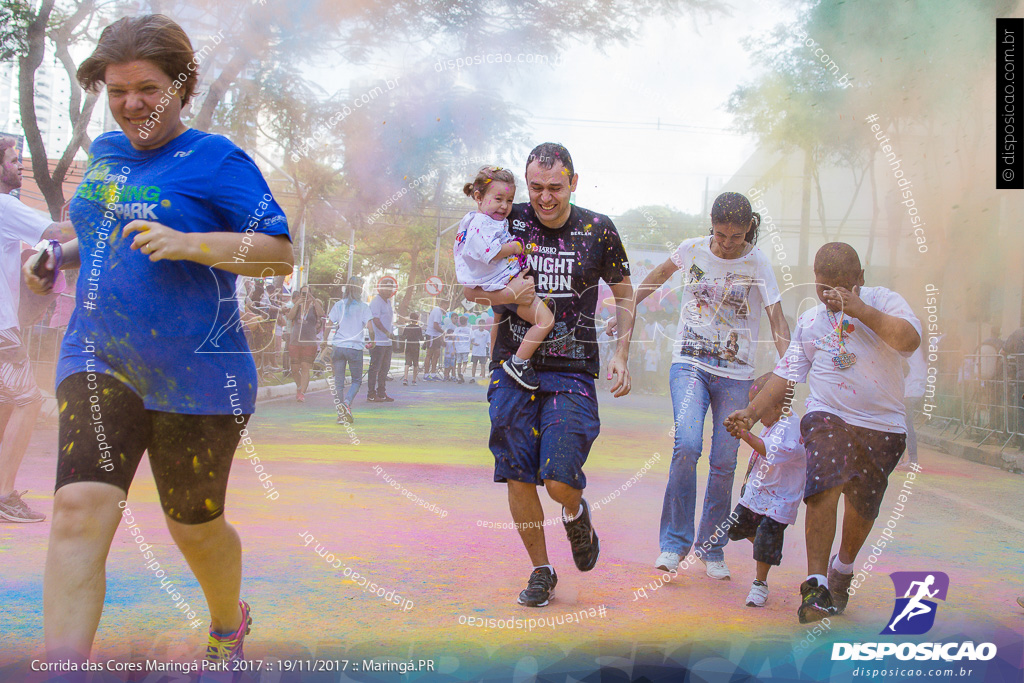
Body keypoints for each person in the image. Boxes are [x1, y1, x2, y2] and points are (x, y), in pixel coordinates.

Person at [28, 13, 293, 663]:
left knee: (193, 526)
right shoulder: (108, 154)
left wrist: (190, 243)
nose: (131, 104)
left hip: (198, 373)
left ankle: (227, 621)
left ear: (181, 85)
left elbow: (278, 252)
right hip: (99, 355)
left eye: (147, 88)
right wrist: (54, 256)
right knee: (77, 510)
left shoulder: (216, 161)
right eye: (117, 91)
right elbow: (98, 234)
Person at [464, 143, 633, 608]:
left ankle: (575, 512)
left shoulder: (599, 230)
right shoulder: (506, 217)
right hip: (513, 367)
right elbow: (471, 284)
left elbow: (625, 293)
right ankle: (541, 570)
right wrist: (501, 298)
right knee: (516, 473)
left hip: (573, 370)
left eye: (555, 187)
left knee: (559, 479)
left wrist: (621, 352)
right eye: (535, 187)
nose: (544, 198)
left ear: (573, 182)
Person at [726, 242, 921, 624]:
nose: (830, 296)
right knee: (823, 488)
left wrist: (858, 308)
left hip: (884, 426)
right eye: (823, 288)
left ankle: (842, 568)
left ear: (859, 280)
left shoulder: (886, 301)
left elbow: (909, 341)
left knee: (863, 507)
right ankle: (815, 586)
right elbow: (786, 374)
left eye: (840, 287)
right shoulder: (811, 321)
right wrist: (750, 413)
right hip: (828, 416)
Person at [631, 191, 791, 581]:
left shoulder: (759, 263)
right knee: (686, 445)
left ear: (749, 228)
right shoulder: (691, 250)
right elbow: (650, 282)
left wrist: (790, 374)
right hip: (690, 366)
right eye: (720, 235)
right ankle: (673, 543)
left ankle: (711, 545)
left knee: (724, 462)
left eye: (736, 236)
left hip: (736, 376)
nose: (727, 243)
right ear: (712, 225)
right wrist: (624, 308)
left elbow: (779, 323)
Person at [0, 135, 74, 522]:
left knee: (7, 401)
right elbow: (56, 233)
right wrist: (99, 212)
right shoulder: (4, 205)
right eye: (13, 160)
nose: (20, 166)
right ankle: (4, 494)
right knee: (28, 400)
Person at [455, 166, 554, 390]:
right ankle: (518, 362)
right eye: (498, 199)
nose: (504, 206)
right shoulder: (480, 223)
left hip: (505, 282)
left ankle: (500, 362)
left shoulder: (483, 220)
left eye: (509, 200)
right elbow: (488, 252)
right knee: (545, 321)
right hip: (505, 284)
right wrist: (513, 247)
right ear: (478, 198)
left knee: (500, 319)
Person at [727, 373, 805, 608]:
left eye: (761, 412)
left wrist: (744, 434)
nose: (758, 418)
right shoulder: (775, 421)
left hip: (779, 499)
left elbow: (771, 452)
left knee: (765, 540)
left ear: (781, 404)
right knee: (736, 528)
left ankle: (760, 583)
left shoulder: (791, 425)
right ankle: (769, 549)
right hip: (758, 493)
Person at [325, 277, 371, 424]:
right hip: (355, 347)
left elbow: (329, 324)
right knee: (357, 380)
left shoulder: (339, 305)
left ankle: (341, 414)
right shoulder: (363, 307)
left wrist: (323, 341)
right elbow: (370, 327)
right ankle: (347, 403)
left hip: (338, 346)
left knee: (338, 383)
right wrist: (373, 341)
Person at [287, 284, 324, 402]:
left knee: (305, 367)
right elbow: (290, 316)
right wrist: (298, 303)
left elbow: (321, 313)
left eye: (307, 293)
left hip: (309, 341)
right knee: (294, 368)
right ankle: (299, 386)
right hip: (295, 341)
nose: (305, 295)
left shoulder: (314, 306)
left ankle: (302, 392)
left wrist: (313, 299)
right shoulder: (297, 306)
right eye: (303, 293)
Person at [898, 342, 928, 468]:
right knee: (905, 425)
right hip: (918, 388)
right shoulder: (924, 347)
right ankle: (903, 458)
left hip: (909, 389)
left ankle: (912, 459)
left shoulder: (911, 346)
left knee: (905, 426)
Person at [367, 276, 396, 402]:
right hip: (378, 341)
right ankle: (371, 393)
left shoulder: (388, 302)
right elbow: (376, 320)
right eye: (387, 289)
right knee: (375, 368)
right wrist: (385, 332)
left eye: (391, 289)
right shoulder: (376, 302)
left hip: (387, 341)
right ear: (380, 289)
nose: (389, 291)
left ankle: (382, 392)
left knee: (385, 368)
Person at [400, 311, 424, 386]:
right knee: (415, 364)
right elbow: (421, 338)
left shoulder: (407, 327)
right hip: (416, 346)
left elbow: (404, 337)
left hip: (409, 346)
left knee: (407, 363)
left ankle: (405, 378)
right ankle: (414, 380)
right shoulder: (418, 328)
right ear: (417, 319)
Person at [454, 314, 472, 383]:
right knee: (465, 363)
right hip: (465, 348)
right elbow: (472, 338)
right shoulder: (469, 329)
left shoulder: (457, 329)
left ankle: (459, 378)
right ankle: (461, 373)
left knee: (459, 363)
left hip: (458, 348)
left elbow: (453, 337)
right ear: (466, 322)